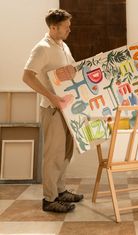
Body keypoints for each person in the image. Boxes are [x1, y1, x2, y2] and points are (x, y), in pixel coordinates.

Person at [22, 9, 83, 213]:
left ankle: (60, 190)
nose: (69, 29)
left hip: (68, 109)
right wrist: (52, 97)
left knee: (66, 151)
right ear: (53, 27)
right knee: (53, 154)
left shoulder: (63, 46)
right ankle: (49, 199)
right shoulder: (42, 48)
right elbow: (27, 77)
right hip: (53, 109)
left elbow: (70, 70)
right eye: (66, 26)